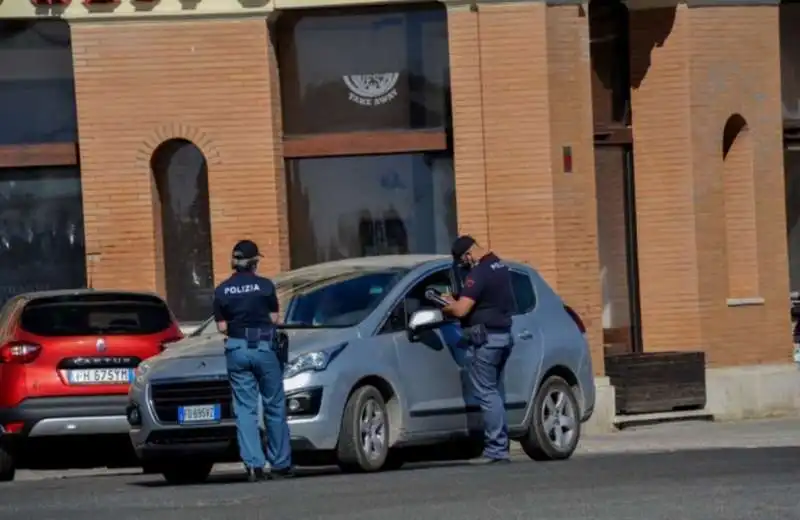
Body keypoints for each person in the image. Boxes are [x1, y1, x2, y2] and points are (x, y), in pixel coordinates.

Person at [213, 239, 293, 481]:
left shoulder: (222, 290)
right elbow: (276, 318)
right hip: (264, 347)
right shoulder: (265, 286)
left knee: (245, 409)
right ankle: (280, 464)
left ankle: (254, 465)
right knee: (274, 405)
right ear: (254, 262)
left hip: (237, 348)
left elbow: (221, 327)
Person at [441, 235, 515, 464]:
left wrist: (447, 305)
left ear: (468, 254)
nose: (465, 264)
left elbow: (462, 310)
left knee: (487, 394)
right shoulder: (499, 265)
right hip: (503, 336)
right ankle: (502, 446)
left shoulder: (479, 273)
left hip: (486, 339)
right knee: (495, 393)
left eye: (464, 260)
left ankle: (496, 450)